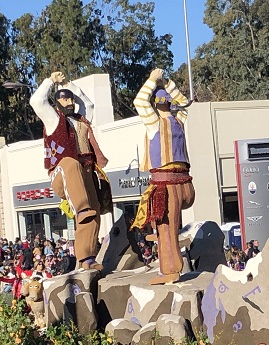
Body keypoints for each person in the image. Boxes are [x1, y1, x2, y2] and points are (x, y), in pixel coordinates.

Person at [30, 71, 111, 270]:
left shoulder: (82, 121)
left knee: (93, 213)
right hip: (61, 173)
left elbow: (89, 104)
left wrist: (69, 84)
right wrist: (51, 81)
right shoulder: (54, 120)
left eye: (70, 98)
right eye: (64, 98)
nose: (69, 102)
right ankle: (81, 207)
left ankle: (87, 258)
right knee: (70, 163)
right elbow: (36, 101)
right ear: (57, 102)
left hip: (85, 172)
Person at [131, 68, 194, 285]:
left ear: (157, 105)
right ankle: (171, 268)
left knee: (166, 230)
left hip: (166, 185)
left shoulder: (154, 122)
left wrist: (152, 80)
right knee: (169, 229)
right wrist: (167, 83)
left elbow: (139, 101)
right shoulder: (179, 120)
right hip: (185, 185)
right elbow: (184, 101)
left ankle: (170, 270)